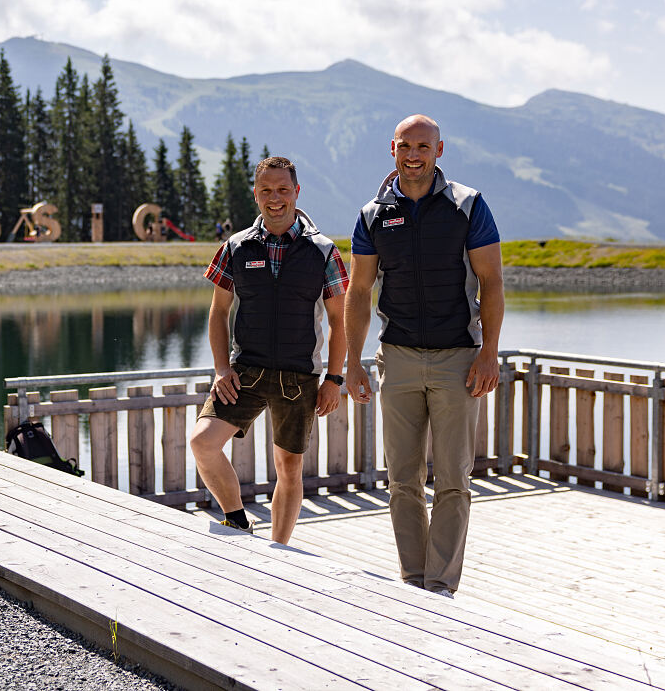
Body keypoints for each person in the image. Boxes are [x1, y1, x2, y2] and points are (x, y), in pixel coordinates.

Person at [344, 114, 504, 598]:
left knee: (454, 479)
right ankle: (413, 581)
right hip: (398, 358)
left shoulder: (468, 205)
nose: (414, 154)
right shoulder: (373, 214)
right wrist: (352, 363)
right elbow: (359, 291)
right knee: (402, 480)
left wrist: (489, 352)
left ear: (440, 150)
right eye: (405, 145)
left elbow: (492, 283)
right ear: (391, 149)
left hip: (459, 358)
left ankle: (441, 584)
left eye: (423, 146)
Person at [191, 156, 348, 545]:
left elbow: (339, 322)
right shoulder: (236, 246)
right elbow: (219, 311)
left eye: (282, 189)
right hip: (245, 372)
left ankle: (279, 550)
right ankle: (237, 519)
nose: (274, 198)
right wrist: (220, 368)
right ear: (255, 194)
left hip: (300, 376)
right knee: (202, 442)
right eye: (266, 190)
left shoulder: (323, 251)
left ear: (297, 192)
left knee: (289, 469)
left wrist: (334, 379)